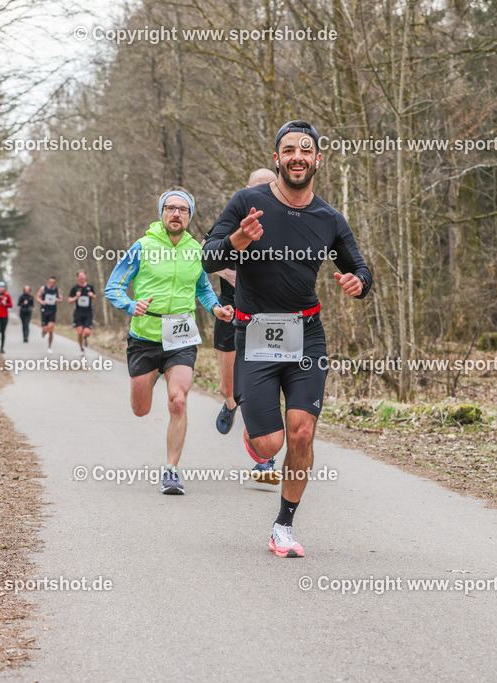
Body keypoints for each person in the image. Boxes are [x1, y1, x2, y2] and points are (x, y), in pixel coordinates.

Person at [203, 121, 372, 557]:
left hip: (306, 334)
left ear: (318, 160)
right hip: (255, 331)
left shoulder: (328, 218)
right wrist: (238, 239)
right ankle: (253, 427)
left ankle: (283, 526)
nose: (298, 155)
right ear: (277, 159)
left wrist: (358, 282)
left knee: (301, 433)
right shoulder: (248, 202)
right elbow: (208, 256)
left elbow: (360, 266)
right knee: (269, 444)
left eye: (306, 149)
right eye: (289, 149)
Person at [106, 187, 234, 495]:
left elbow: (202, 288)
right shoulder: (142, 246)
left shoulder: (196, 251)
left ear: (189, 216)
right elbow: (113, 287)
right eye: (170, 208)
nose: (176, 214)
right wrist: (129, 305)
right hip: (145, 336)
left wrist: (216, 307)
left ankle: (171, 471)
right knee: (140, 408)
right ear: (162, 213)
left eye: (183, 210)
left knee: (178, 400)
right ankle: (145, 385)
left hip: (181, 335)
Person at [214, 168, 278, 437]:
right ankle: (230, 403)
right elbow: (203, 252)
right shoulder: (233, 217)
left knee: (261, 392)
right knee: (229, 387)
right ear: (247, 190)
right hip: (230, 311)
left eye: (269, 187)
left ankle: (264, 457)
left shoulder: (283, 222)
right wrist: (227, 273)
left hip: (266, 318)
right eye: (257, 188)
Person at [68, 270, 96, 354]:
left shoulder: (90, 287)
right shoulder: (75, 288)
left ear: (85, 276)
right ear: (77, 277)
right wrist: (76, 297)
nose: (82, 277)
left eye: (83, 275)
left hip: (88, 313)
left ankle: (85, 338)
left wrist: (92, 295)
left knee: (87, 332)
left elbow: (94, 296)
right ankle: (81, 348)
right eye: (80, 276)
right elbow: (69, 301)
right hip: (78, 313)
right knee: (79, 332)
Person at [36, 276, 59, 354]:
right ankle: (43, 332)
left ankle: (49, 347)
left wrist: (58, 300)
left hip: (52, 311)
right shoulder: (43, 289)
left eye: (53, 282)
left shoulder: (57, 290)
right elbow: (37, 297)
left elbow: (61, 298)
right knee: (45, 330)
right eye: (50, 282)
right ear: (48, 282)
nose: (52, 284)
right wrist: (41, 301)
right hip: (44, 311)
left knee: (51, 330)